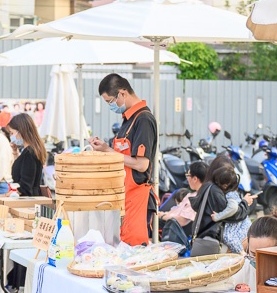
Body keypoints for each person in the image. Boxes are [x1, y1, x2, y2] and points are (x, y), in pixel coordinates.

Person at [89, 74, 157, 246]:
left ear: (122, 93)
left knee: (134, 251)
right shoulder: (128, 120)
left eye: (110, 102)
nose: (111, 106)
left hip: (137, 198)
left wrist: (109, 150)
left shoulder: (143, 119)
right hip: (123, 196)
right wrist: (103, 150)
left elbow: (142, 165)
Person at [158, 161, 208, 246]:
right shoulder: (192, 195)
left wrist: (162, 216)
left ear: (195, 179)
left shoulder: (197, 198)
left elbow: (181, 221)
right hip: (171, 224)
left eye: (188, 176)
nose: (187, 179)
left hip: (178, 233)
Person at [189, 162, 236, 246]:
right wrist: (245, 204)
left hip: (200, 237)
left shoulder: (207, 187)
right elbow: (233, 210)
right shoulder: (217, 192)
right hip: (212, 238)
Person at [7, 112, 46, 197]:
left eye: (12, 133)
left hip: (28, 203)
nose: (11, 136)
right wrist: (15, 152)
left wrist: (8, 195)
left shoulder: (29, 153)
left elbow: (25, 186)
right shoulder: (30, 151)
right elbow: (23, 168)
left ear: (20, 131)